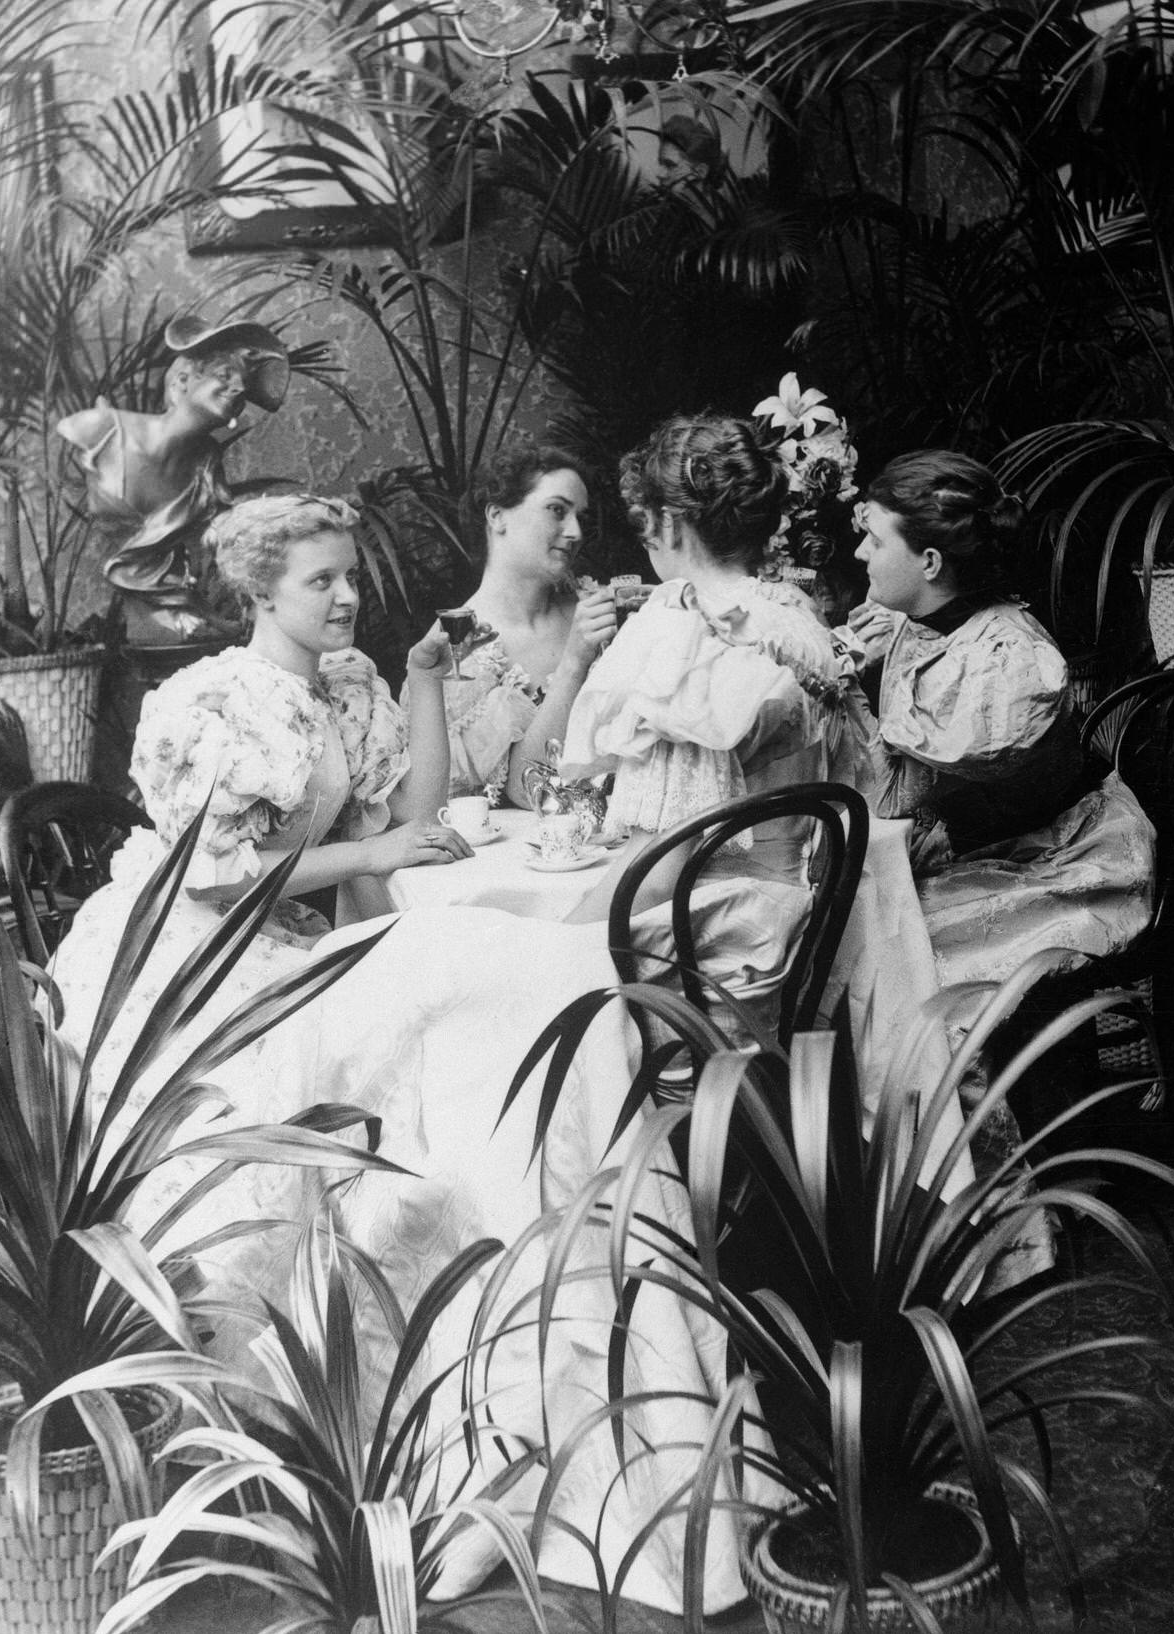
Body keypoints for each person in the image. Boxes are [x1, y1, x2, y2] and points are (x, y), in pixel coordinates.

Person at [46, 489, 757, 1616]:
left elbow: (417, 809)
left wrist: (421, 679)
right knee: (493, 971)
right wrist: (374, 850)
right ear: (258, 591)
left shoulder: (349, 685)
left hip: (311, 940)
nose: (347, 595)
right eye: (320, 579)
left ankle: (576, 1278)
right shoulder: (212, 698)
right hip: (205, 964)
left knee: (529, 981)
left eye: (349, 576)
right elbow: (220, 877)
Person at [557, 411, 880, 1042]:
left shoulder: (690, 635)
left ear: (672, 522)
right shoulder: (795, 614)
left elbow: (662, 868)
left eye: (643, 520)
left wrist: (554, 941)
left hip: (704, 950)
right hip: (787, 926)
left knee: (476, 959)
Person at [848, 449, 1155, 989]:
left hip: (1061, 861)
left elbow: (948, 758)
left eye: (875, 540)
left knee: (886, 963)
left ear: (930, 563)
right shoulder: (912, 620)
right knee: (851, 930)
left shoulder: (1008, 657)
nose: (859, 552)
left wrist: (845, 690)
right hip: (981, 847)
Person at [57, 314, 291, 645]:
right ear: (182, 381)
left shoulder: (206, 465)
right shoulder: (102, 429)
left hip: (183, 605)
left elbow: (224, 528)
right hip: (145, 611)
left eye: (242, 388)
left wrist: (289, 520)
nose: (237, 388)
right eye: (224, 375)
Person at [409, 443, 618, 802]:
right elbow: (526, 793)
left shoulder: (596, 611)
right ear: (497, 516)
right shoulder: (457, 649)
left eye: (580, 517)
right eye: (557, 510)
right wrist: (573, 664)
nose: (576, 532)